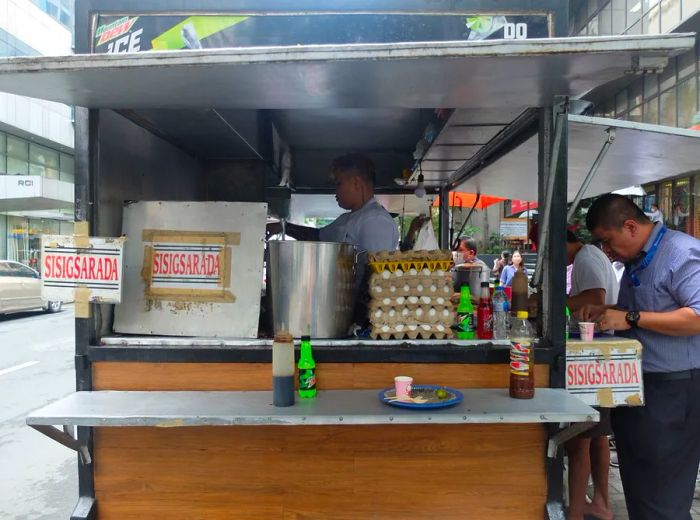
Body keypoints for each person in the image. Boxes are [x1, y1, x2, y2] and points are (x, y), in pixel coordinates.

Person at [577, 194, 700, 520]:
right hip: (639, 389)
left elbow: (698, 317)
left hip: (672, 392)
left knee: (662, 501)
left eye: (608, 241)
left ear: (630, 226)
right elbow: (651, 308)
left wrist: (630, 318)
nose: (607, 251)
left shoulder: (680, 253)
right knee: (643, 495)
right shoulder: (637, 261)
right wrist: (608, 311)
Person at [267, 153, 399, 323]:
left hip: (363, 319)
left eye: (338, 183)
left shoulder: (376, 220)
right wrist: (283, 227)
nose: (335, 191)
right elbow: (318, 237)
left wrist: (354, 321)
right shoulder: (348, 219)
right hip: (342, 311)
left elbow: (376, 275)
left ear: (357, 183)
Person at [565, 230, 619, 520]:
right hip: (601, 350)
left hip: (592, 352)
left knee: (579, 438)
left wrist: (553, 299)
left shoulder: (585, 258)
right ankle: (601, 502)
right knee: (598, 434)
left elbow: (595, 296)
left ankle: (574, 512)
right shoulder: (592, 255)